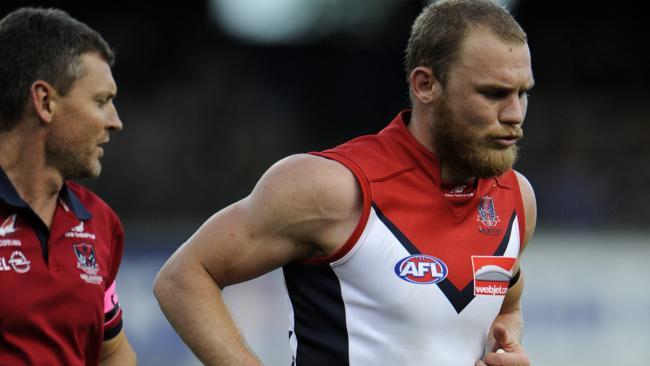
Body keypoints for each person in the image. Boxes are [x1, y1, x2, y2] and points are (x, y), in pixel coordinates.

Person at [154, 0, 536, 365]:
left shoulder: (517, 196)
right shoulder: (333, 186)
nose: (515, 114)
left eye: (523, 93)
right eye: (494, 93)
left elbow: (509, 305)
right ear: (424, 85)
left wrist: (506, 339)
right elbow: (182, 278)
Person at [0, 7, 136, 366]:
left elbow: (114, 351)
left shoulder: (100, 225)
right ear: (45, 102)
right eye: (101, 101)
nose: (115, 122)